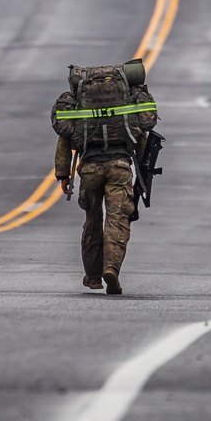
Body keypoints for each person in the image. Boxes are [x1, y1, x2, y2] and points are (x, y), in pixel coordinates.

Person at [52, 59, 157, 296]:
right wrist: (142, 169)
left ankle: (92, 276)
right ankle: (112, 268)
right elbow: (143, 132)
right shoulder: (129, 97)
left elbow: (64, 138)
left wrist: (63, 174)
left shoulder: (77, 102)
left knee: (92, 219)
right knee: (117, 219)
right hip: (119, 166)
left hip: (89, 168)